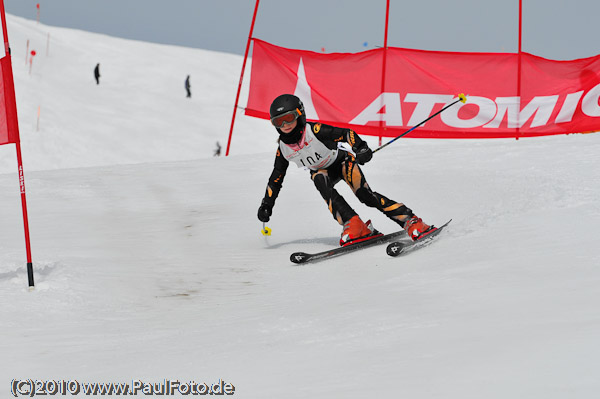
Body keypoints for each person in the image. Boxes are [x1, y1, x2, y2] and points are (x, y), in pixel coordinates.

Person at [257, 94, 437, 246]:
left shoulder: (315, 130)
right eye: (279, 121)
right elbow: (276, 178)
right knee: (319, 179)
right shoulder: (283, 148)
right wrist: (267, 205)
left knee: (365, 196)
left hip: (343, 163)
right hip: (323, 172)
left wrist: (361, 148)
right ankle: (355, 224)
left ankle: (411, 221)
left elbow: (346, 133)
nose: (285, 124)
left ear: (300, 114)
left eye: (289, 118)